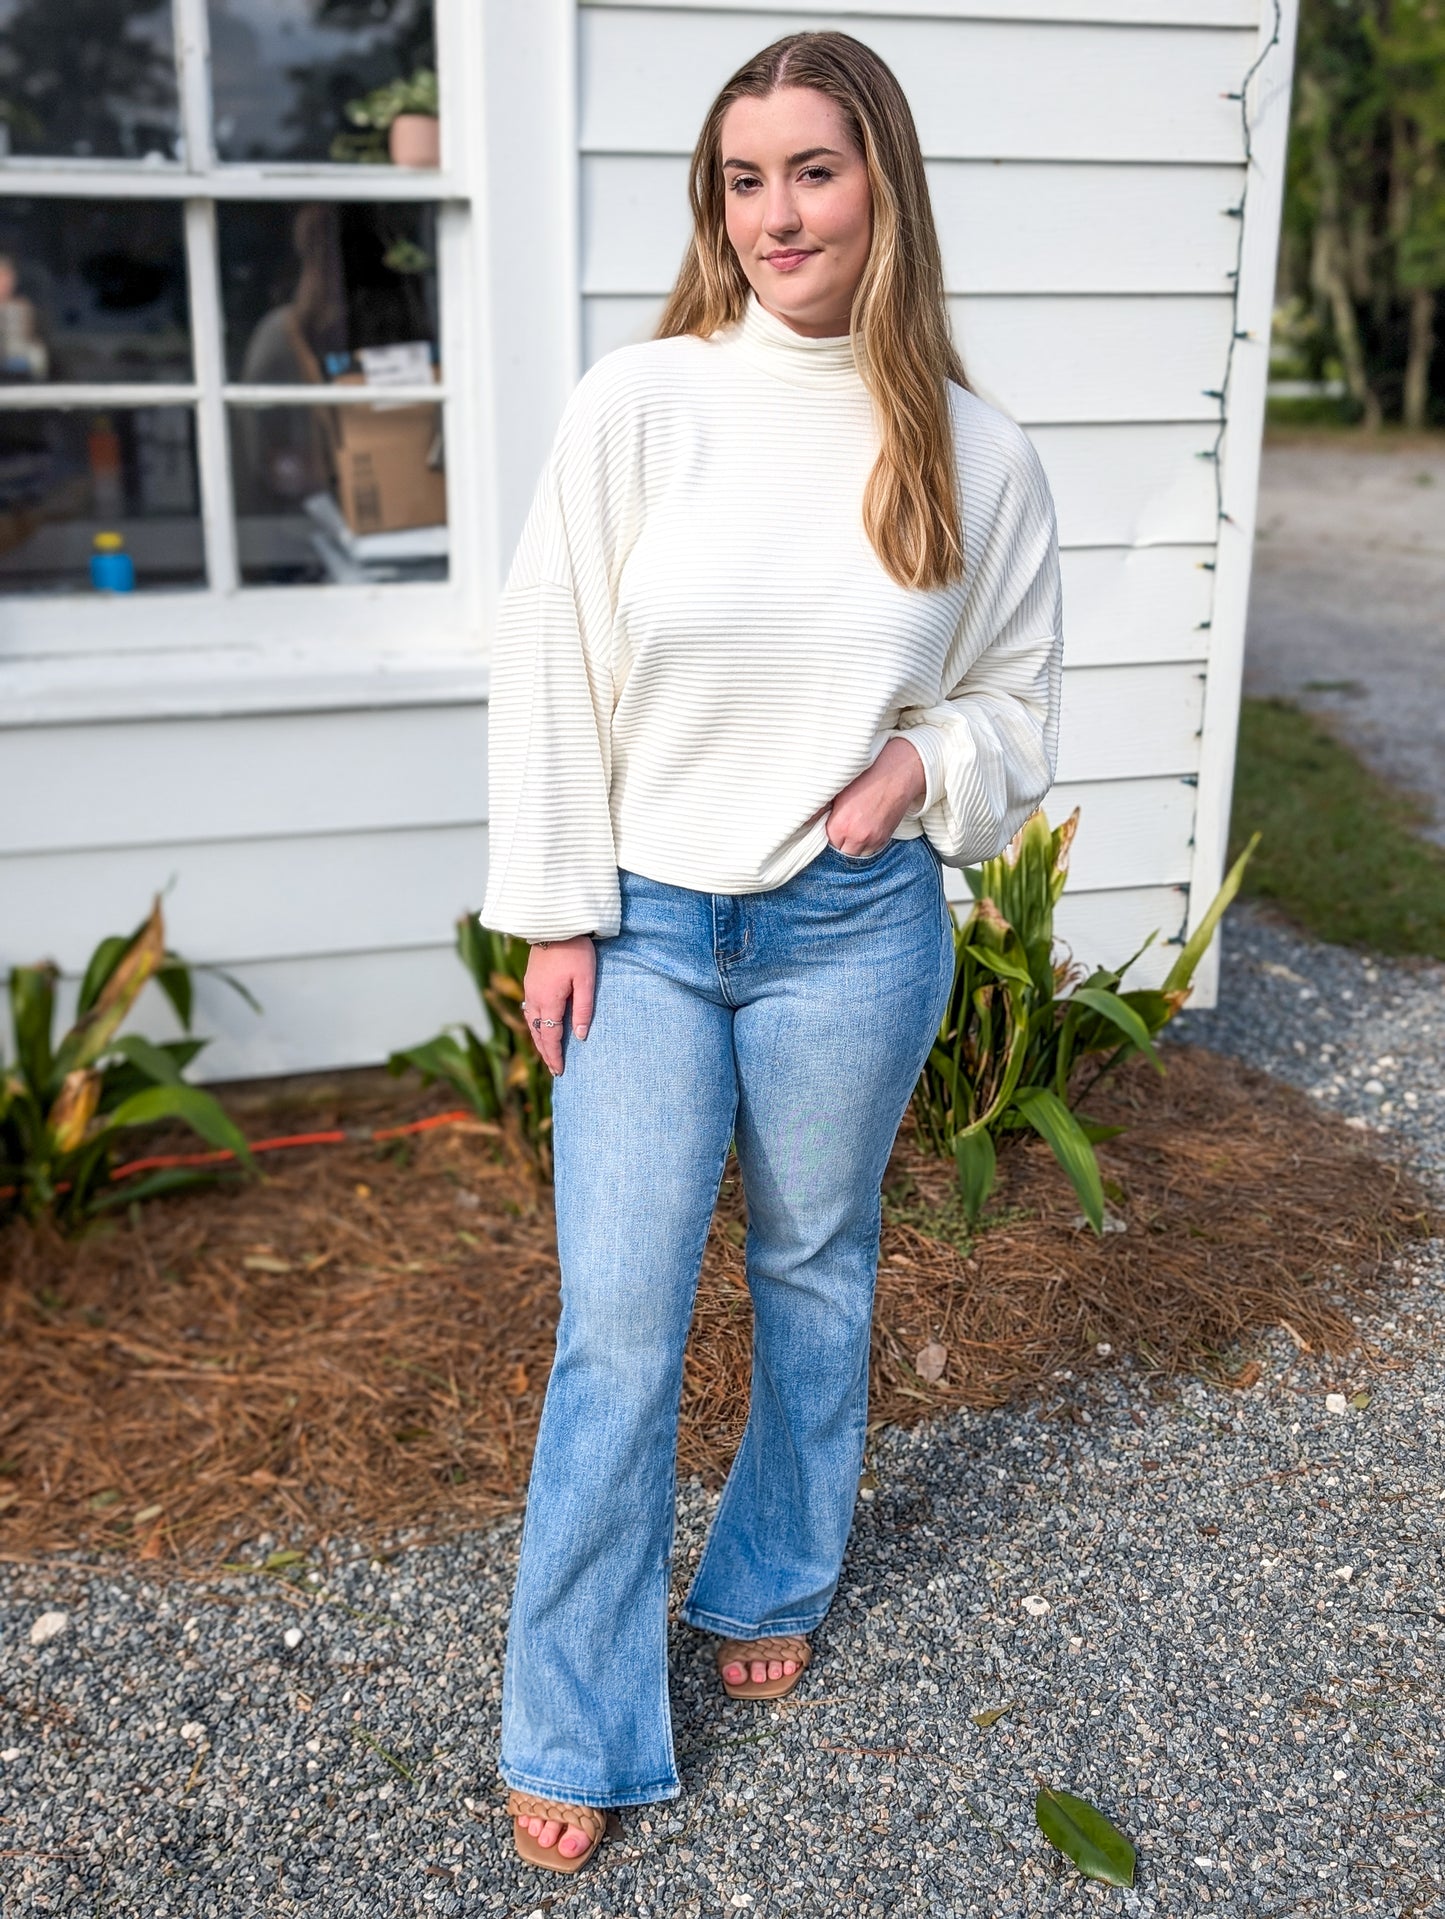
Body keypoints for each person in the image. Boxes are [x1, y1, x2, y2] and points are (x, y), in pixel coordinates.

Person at [480, 29, 1063, 1876]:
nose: (776, 213)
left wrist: (918, 768)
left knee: (817, 1266)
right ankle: (575, 1715)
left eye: (810, 168)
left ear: (880, 180)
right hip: (647, 931)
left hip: (846, 933)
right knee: (618, 1325)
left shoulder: (972, 447)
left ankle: (770, 1578)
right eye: (743, 179)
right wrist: (558, 907)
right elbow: (548, 659)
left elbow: (1019, 699)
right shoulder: (640, 401)